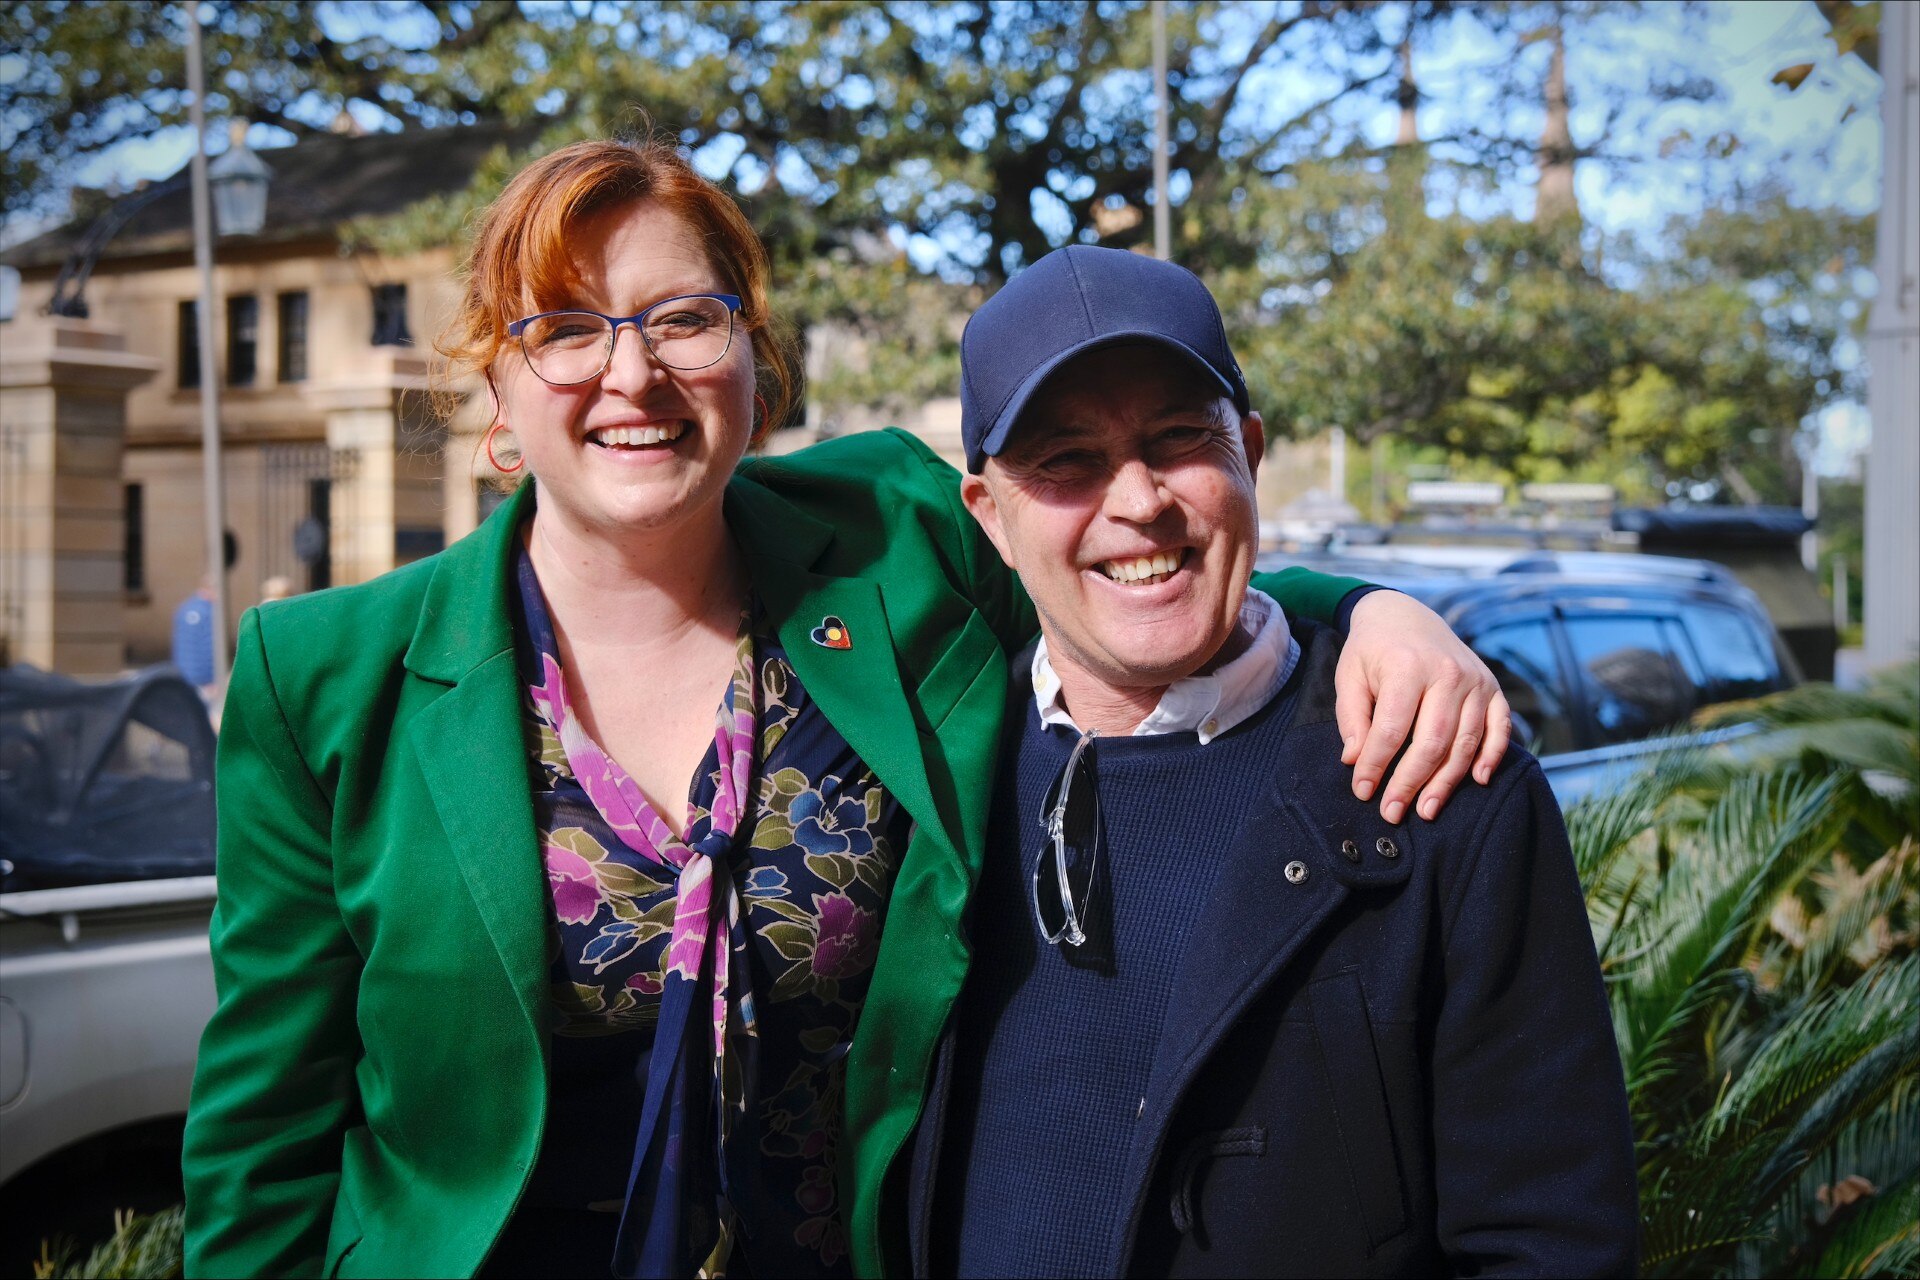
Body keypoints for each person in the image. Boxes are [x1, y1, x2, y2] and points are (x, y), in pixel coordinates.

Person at [181, 138, 1511, 1280]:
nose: (632, 373)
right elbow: (262, 1138)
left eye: (683, 318)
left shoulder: (891, 541)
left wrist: (1366, 610)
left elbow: (1123, 563)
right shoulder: (325, 677)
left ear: (753, 359)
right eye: (567, 328)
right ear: (497, 391)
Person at [909, 246, 1637, 1278]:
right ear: (990, 514)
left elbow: (1550, 1242)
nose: (1139, 500)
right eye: (1067, 460)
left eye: (1179, 438)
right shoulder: (925, 782)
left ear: (1249, 452)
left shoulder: (1436, 783)